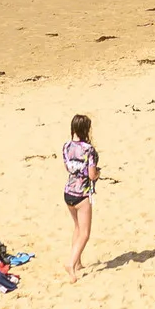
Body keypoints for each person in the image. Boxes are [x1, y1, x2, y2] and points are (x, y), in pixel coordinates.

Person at [63, 113, 98, 279]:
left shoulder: (66, 147)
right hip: (81, 193)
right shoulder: (88, 150)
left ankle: (77, 262)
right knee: (85, 233)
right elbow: (91, 175)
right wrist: (97, 174)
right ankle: (71, 263)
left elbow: (67, 167)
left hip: (68, 192)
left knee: (77, 227)